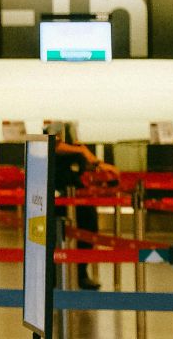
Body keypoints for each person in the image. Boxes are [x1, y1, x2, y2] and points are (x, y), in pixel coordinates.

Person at [49, 122, 120, 291]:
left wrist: (93, 161)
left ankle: (81, 273)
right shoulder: (55, 129)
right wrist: (82, 151)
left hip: (78, 194)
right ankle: (53, 276)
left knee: (88, 230)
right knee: (54, 236)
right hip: (57, 194)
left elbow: (87, 163)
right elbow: (51, 145)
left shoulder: (73, 137)